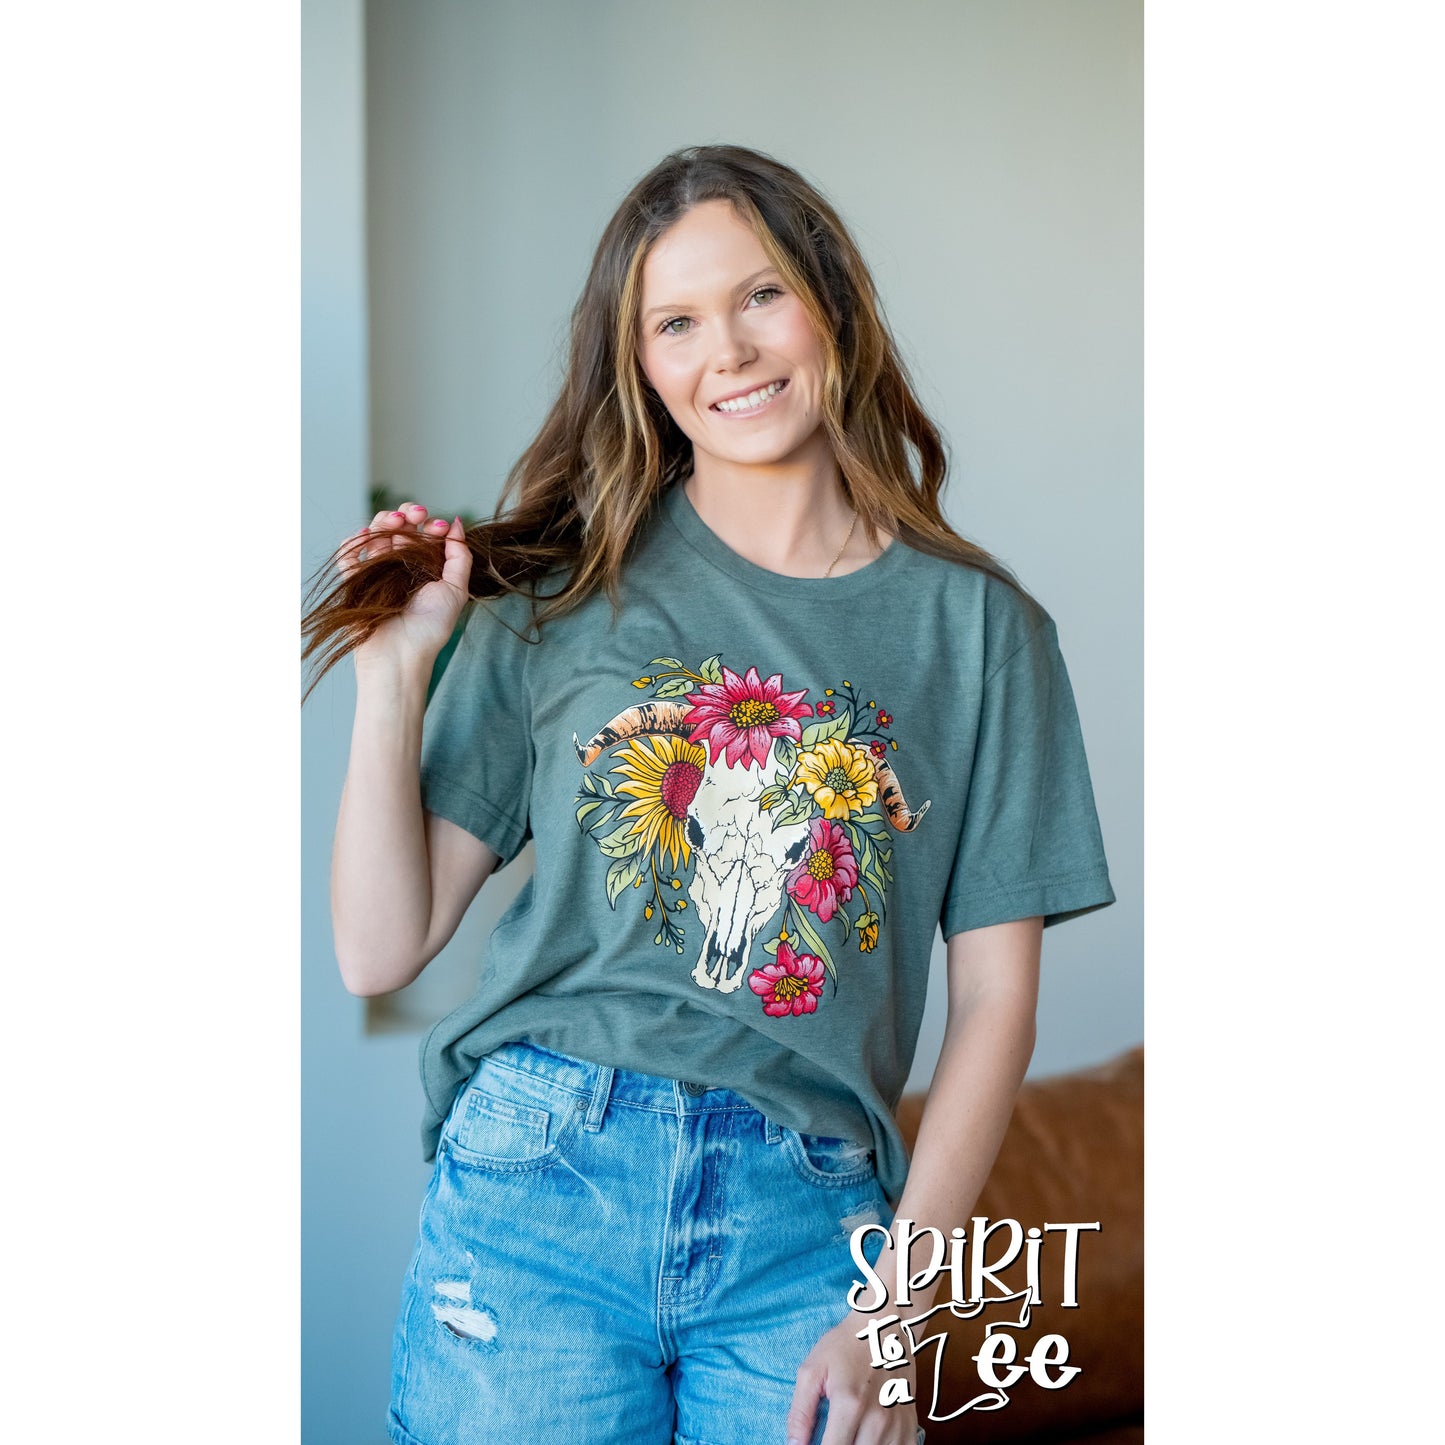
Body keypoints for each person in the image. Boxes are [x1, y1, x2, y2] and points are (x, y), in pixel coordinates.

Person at [303, 143, 1116, 1445]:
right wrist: (393, 681)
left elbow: (994, 1008)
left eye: (760, 295)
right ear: (637, 364)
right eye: (674, 322)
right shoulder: (564, 592)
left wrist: (898, 1311)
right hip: (540, 1182)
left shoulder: (980, 633)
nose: (727, 351)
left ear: (830, 304)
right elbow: (377, 946)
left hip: (809, 1217)